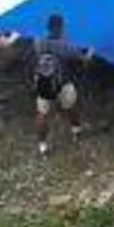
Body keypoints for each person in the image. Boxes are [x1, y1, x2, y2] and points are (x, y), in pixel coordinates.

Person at [31, 14, 89, 155]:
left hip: (43, 81)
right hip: (62, 82)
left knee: (42, 113)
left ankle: (42, 144)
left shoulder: (38, 40)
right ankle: (76, 129)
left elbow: (37, 54)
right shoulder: (64, 43)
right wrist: (90, 52)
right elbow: (82, 57)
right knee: (70, 106)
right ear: (60, 27)